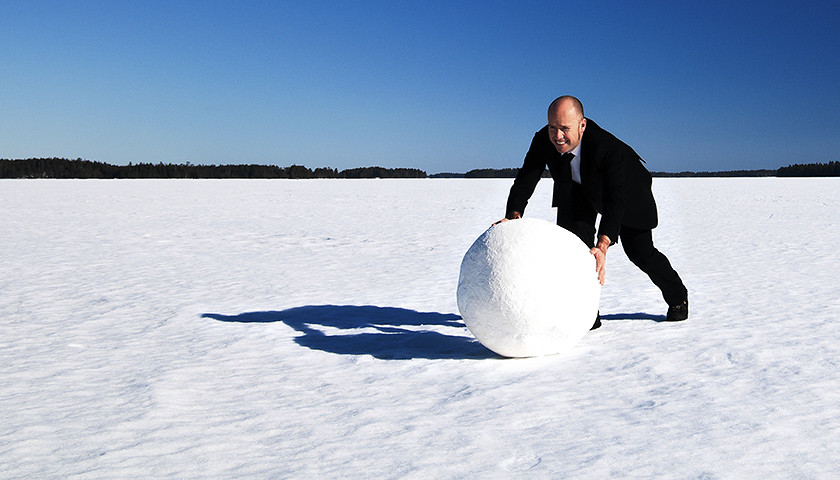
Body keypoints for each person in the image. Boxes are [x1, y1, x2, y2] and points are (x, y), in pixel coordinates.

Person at [495, 96, 688, 329]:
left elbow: (616, 198)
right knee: (573, 250)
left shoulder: (606, 147)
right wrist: (513, 216)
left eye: (564, 128)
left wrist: (603, 244)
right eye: (552, 127)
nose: (557, 136)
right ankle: (587, 313)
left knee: (640, 252)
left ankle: (678, 297)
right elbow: (527, 177)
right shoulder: (542, 140)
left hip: (628, 193)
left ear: (582, 125)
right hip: (577, 191)